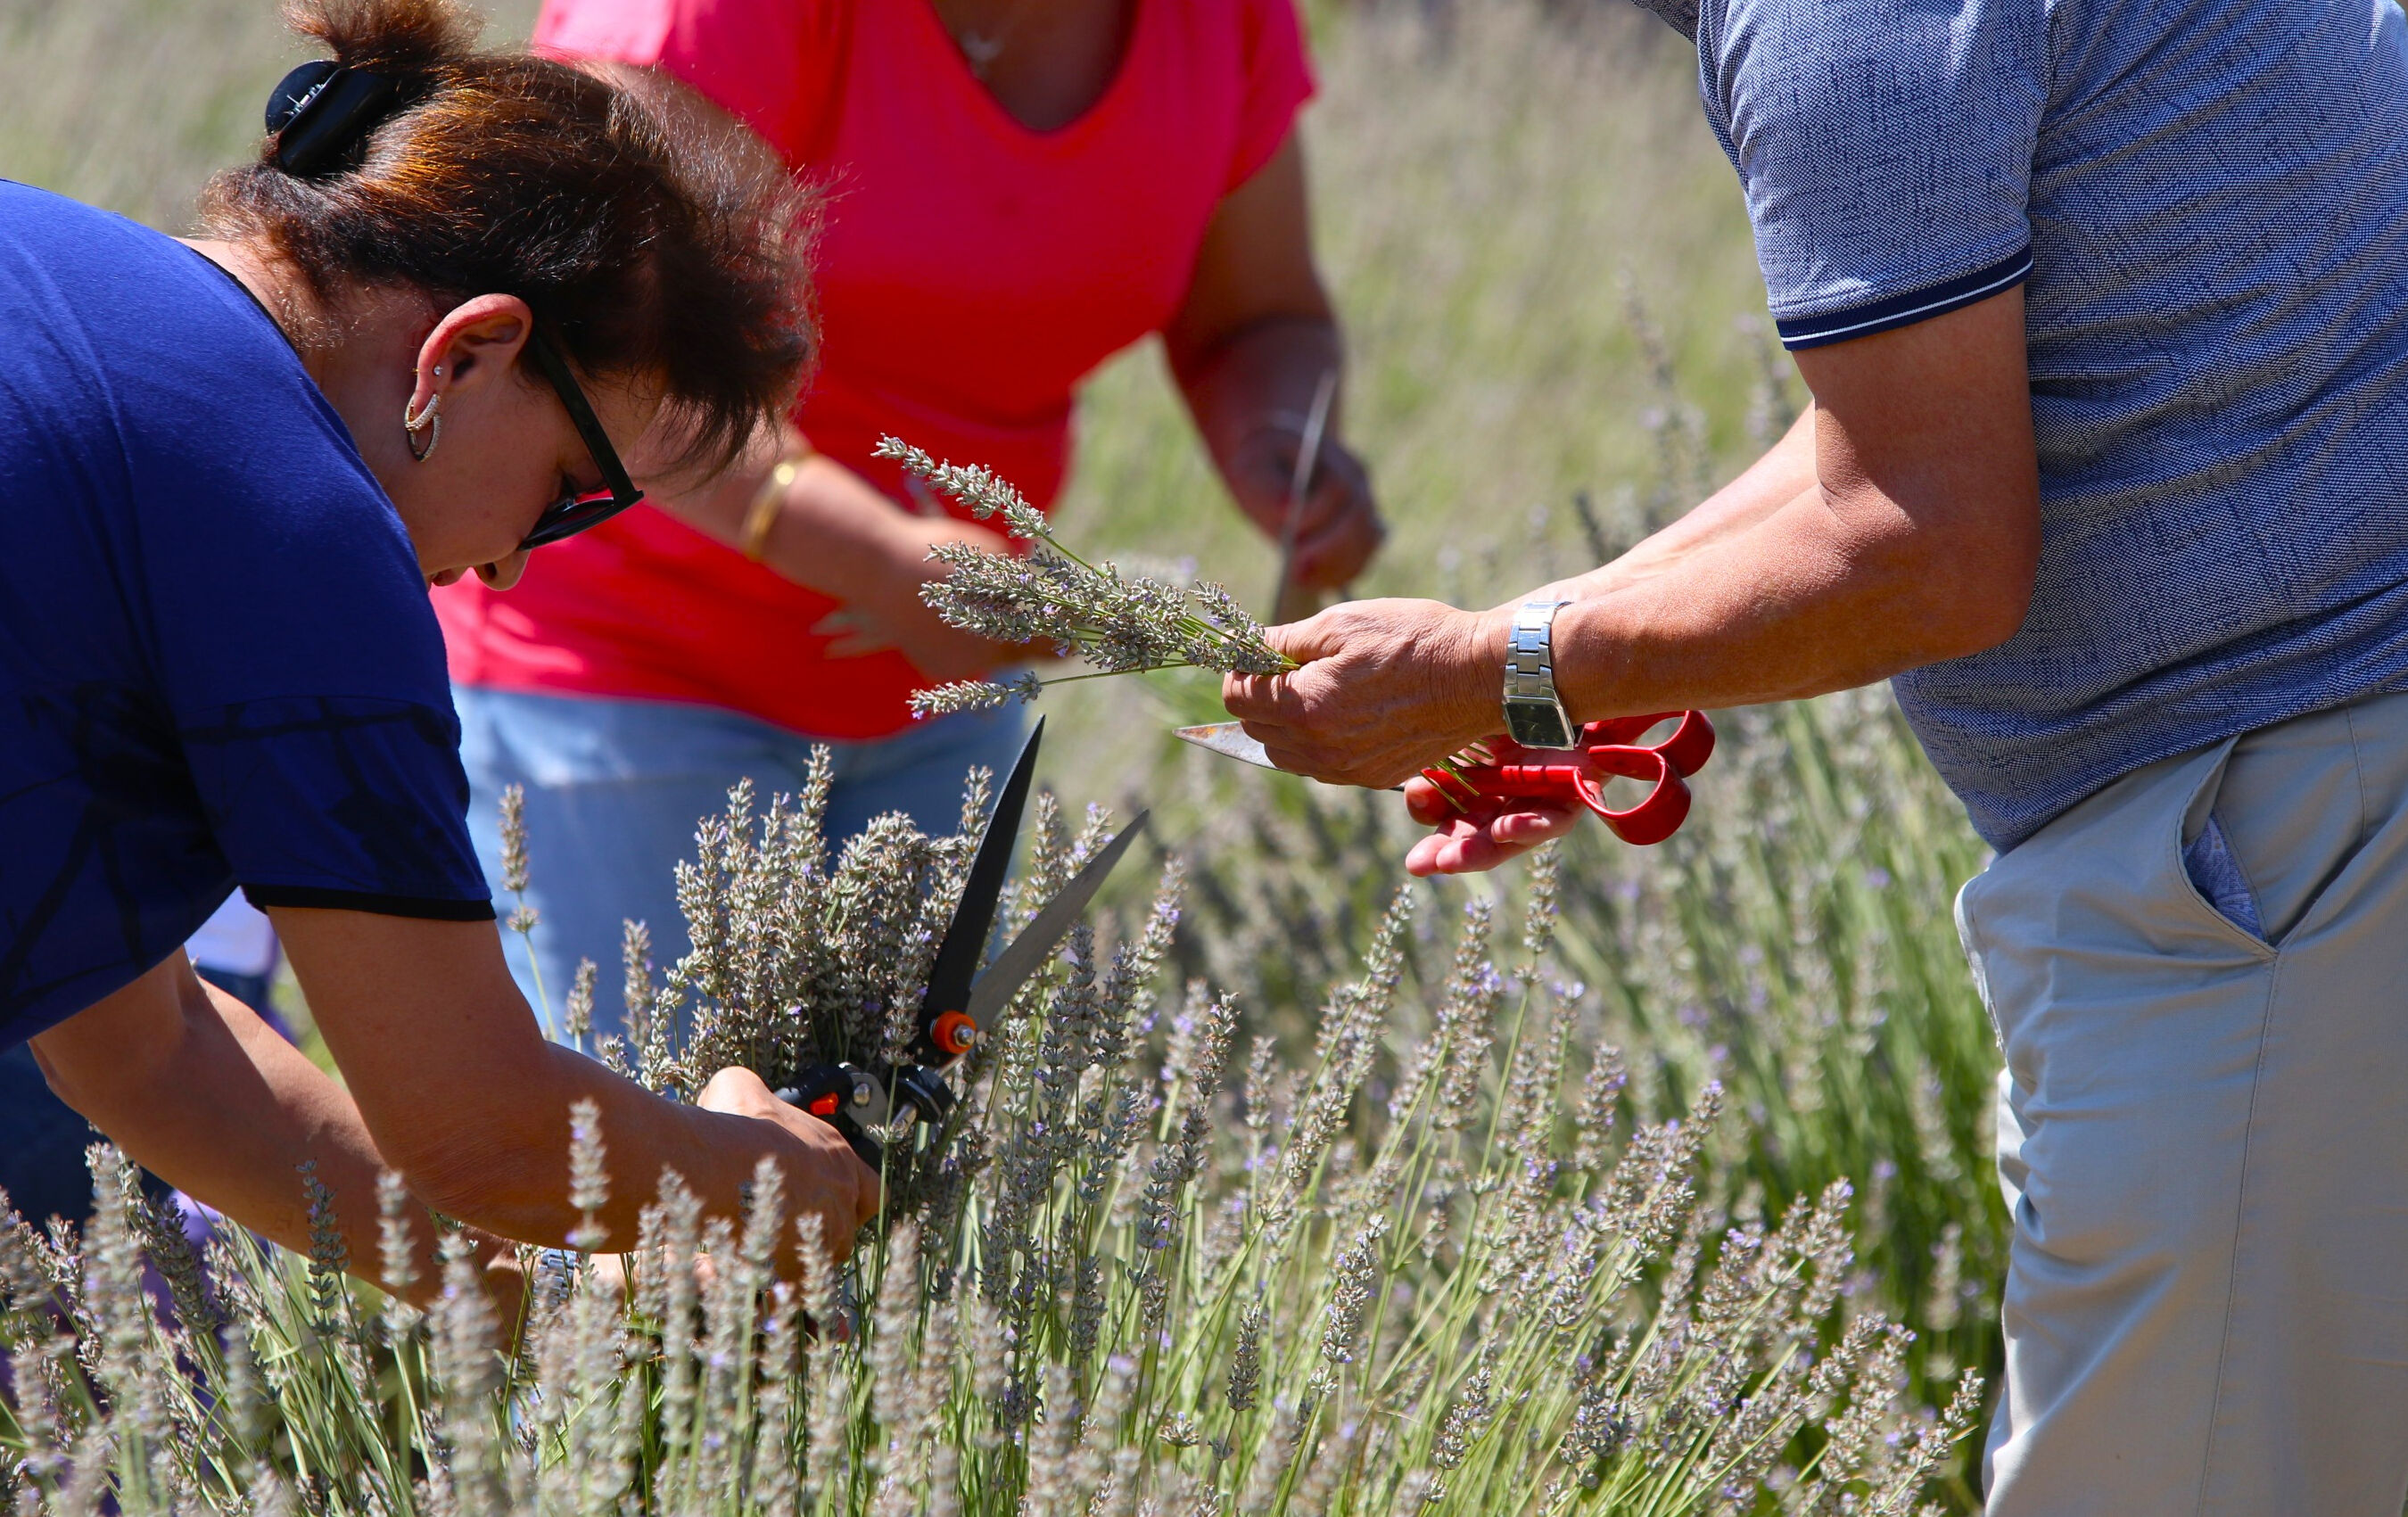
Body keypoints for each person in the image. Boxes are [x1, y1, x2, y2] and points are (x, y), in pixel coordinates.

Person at [1222, 0, 2408, 1509]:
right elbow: (1905, 408)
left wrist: (1499, 669)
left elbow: (1937, 546)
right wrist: (1539, 664)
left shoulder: (1839, 21)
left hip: (2289, 858)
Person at [1, 0, 878, 1297]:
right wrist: (777, 1179)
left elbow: (151, 1047)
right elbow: (480, 1127)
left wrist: (538, 1312)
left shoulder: (57, 263)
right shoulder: (295, 513)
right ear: (465, 356)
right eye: (574, 489)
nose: (519, 560)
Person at [434, 0, 1385, 1029]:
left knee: (889, 1173)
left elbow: (1256, 313)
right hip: (623, 672)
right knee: (661, 1163)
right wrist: (874, 557)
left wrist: (1278, 442)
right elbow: (595, 340)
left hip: (942, 690)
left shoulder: (1222, 23)